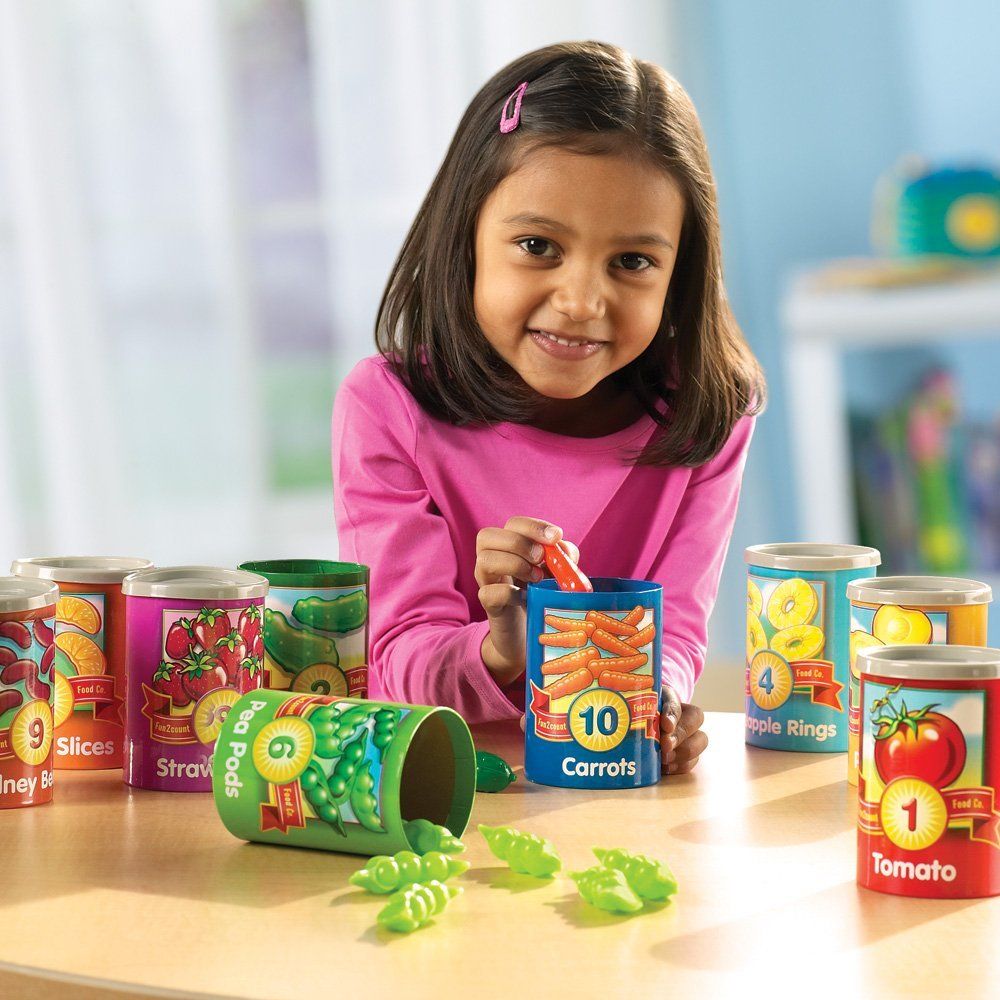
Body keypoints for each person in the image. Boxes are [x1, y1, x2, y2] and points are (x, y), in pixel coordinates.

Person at [332, 41, 764, 775]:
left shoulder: (708, 415)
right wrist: (504, 647)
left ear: (679, 272)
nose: (582, 301)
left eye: (632, 262)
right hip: (447, 787)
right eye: (538, 245)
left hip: (614, 790)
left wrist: (657, 702)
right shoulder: (388, 408)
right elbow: (395, 665)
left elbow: (677, 634)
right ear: (465, 237)